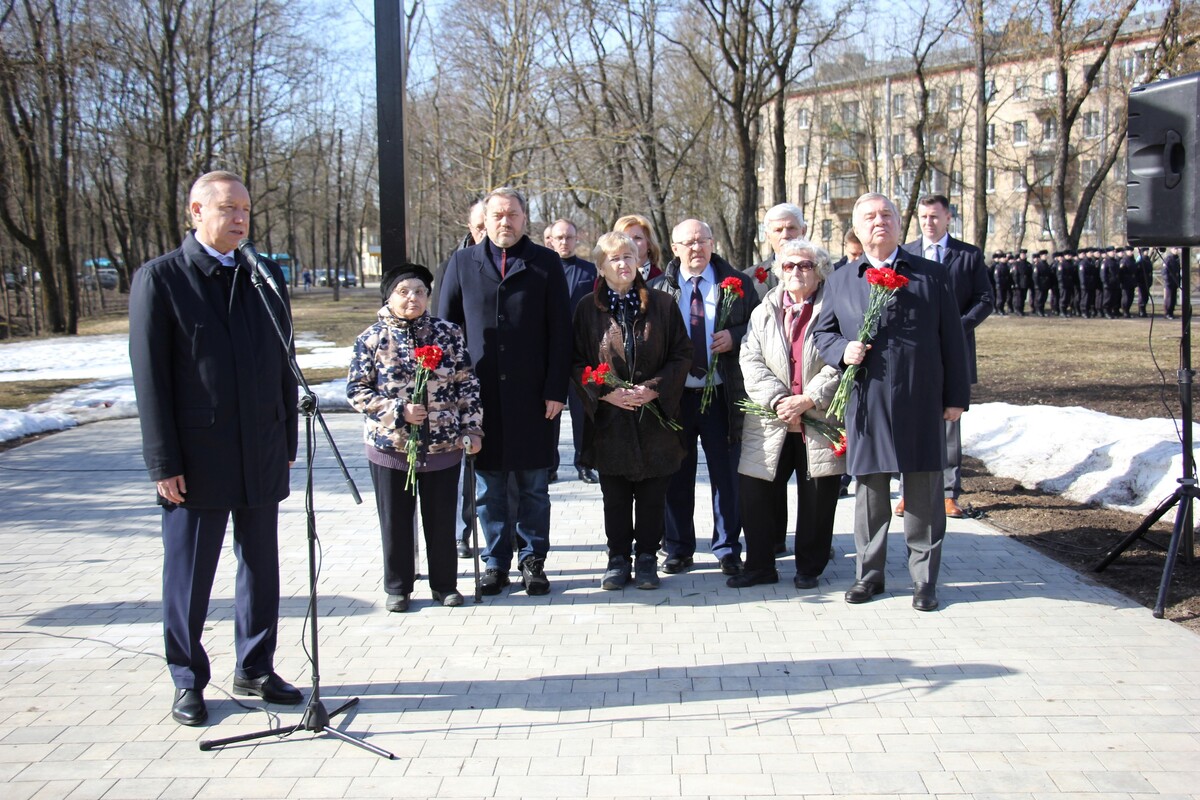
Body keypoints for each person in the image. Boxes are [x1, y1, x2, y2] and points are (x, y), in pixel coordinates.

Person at [129, 170, 302, 727]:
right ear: (196, 212)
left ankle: (255, 667)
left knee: (261, 567)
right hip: (197, 457)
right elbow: (151, 381)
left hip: (262, 446)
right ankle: (187, 678)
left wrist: (287, 437)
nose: (240, 218)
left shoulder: (263, 274)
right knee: (190, 575)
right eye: (228, 208)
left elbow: (283, 360)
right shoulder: (162, 279)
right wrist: (163, 462)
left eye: (245, 209)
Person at [813, 192, 970, 613]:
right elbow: (823, 334)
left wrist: (956, 397)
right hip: (867, 399)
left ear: (900, 225)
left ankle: (924, 579)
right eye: (869, 216)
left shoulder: (931, 275)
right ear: (857, 229)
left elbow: (953, 340)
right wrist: (842, 350)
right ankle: (870, 574)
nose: (879, 221)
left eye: (887, 214)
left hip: (921, 397)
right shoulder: (842, 279)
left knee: (924, 492)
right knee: (870, 490)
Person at [438, 187, 571, 596]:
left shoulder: (545, 262)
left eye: (512, 214)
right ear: (485, 219)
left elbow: (561, 332)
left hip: (534, 397)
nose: (505, 222)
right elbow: (446, 330)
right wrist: (452, 396)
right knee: (488, 487)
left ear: (524, 219)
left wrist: (556, 389)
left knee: (534, 486)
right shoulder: (462, 263)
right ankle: (495, 562)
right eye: (497, 215)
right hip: (480, 399)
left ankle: (533, 560)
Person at [347, 263, 483, 613]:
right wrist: (398, 411)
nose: (413, 298)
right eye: (404, 292)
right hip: (392, 446)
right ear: (389, 297)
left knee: (441, 519)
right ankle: (398, 586)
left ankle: (444, 584)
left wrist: (472, 427)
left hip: (443, 442)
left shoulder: (448, 334)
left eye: (420, 291)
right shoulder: (371, 338)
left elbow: (466, 383)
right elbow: (356, 390)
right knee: (395, 520)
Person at [572, 231, 691, 590]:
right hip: (610, 422)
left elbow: (682, 354)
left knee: (653, 496)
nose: (623, 264)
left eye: (628, 256)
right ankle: (618, 558)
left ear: (639, 260)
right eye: (614, 258)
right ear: (600, 267)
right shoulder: (587, 309)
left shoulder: (662, 304)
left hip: (656, 419)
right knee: (616, 497)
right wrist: (605, 393)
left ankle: (647, 559)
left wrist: (654, 389)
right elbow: (575, 361)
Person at [733, 238, 845, 590]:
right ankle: (759, 566)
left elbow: (842, 361)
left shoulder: (836, 308)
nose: (796, 271)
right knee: (756, 495)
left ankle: (809, 568)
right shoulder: (764, 309)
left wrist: (808, 399)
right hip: (771, 419)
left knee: (817, 499)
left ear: (820, 271)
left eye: (805, 265)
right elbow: (750, 358)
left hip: (819, 419)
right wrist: (780, 400)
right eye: (788, 265)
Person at [649, 219, 759, 576]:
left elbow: (760, 328)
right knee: (676, 474)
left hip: (722, 394)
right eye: (688, 242)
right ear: (674, 248)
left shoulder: (737, 284)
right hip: (676, 397)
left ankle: (727, 547)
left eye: (702, 241)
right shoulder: (658, 288)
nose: (696, 248)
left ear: (712, 243)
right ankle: (678, 548)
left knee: (726, 476)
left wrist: (735, 337)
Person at [898, 194, 992, 519]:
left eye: (935, 216)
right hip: (914, 354)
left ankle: (949, 494)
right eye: (924, 217)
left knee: (950, 422)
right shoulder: (906, 253)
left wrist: (955, 327)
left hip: (953, 352)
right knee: (910, 422)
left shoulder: (968, 255)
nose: (929, 222)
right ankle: (908, 492)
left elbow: (984, 299)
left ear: (948, 217)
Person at [547, 218, 599, 484]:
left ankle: (584, 464)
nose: (564, 242)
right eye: (559, 237)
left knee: (582, 412)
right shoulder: (541, 269)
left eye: (569, 237)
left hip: (581, 352)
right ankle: (549, 465)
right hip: (549, 353)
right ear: (550, 240)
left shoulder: (589, 271)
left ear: (576, 239)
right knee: (550, 411)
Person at [744, 203, 806, 299]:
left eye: (791, 228)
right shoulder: (748, 281)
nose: (785, 235)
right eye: (778, 230)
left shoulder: (820, 274)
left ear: (803, 231)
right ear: (768, 236)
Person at [614, 213, 664, 281]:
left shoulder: (664, 281)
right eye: (625, 238)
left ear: (649, 243)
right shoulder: (607, 280)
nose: (630, 242)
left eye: (637, 238)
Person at [1163, 247, 1181, 320]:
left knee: (1173, 299)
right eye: (1174, 249)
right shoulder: (1168, 259)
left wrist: (1178, 281)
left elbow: (1178, 272)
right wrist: (1167, 281)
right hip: (1169, 282)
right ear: (1171, 249)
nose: (1176, 250)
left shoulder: (1177, 259)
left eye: (1177, 249)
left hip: (1175, 282)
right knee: (1169, 298)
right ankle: (1167, 313)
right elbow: (1164, 271)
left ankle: (1171, 313)